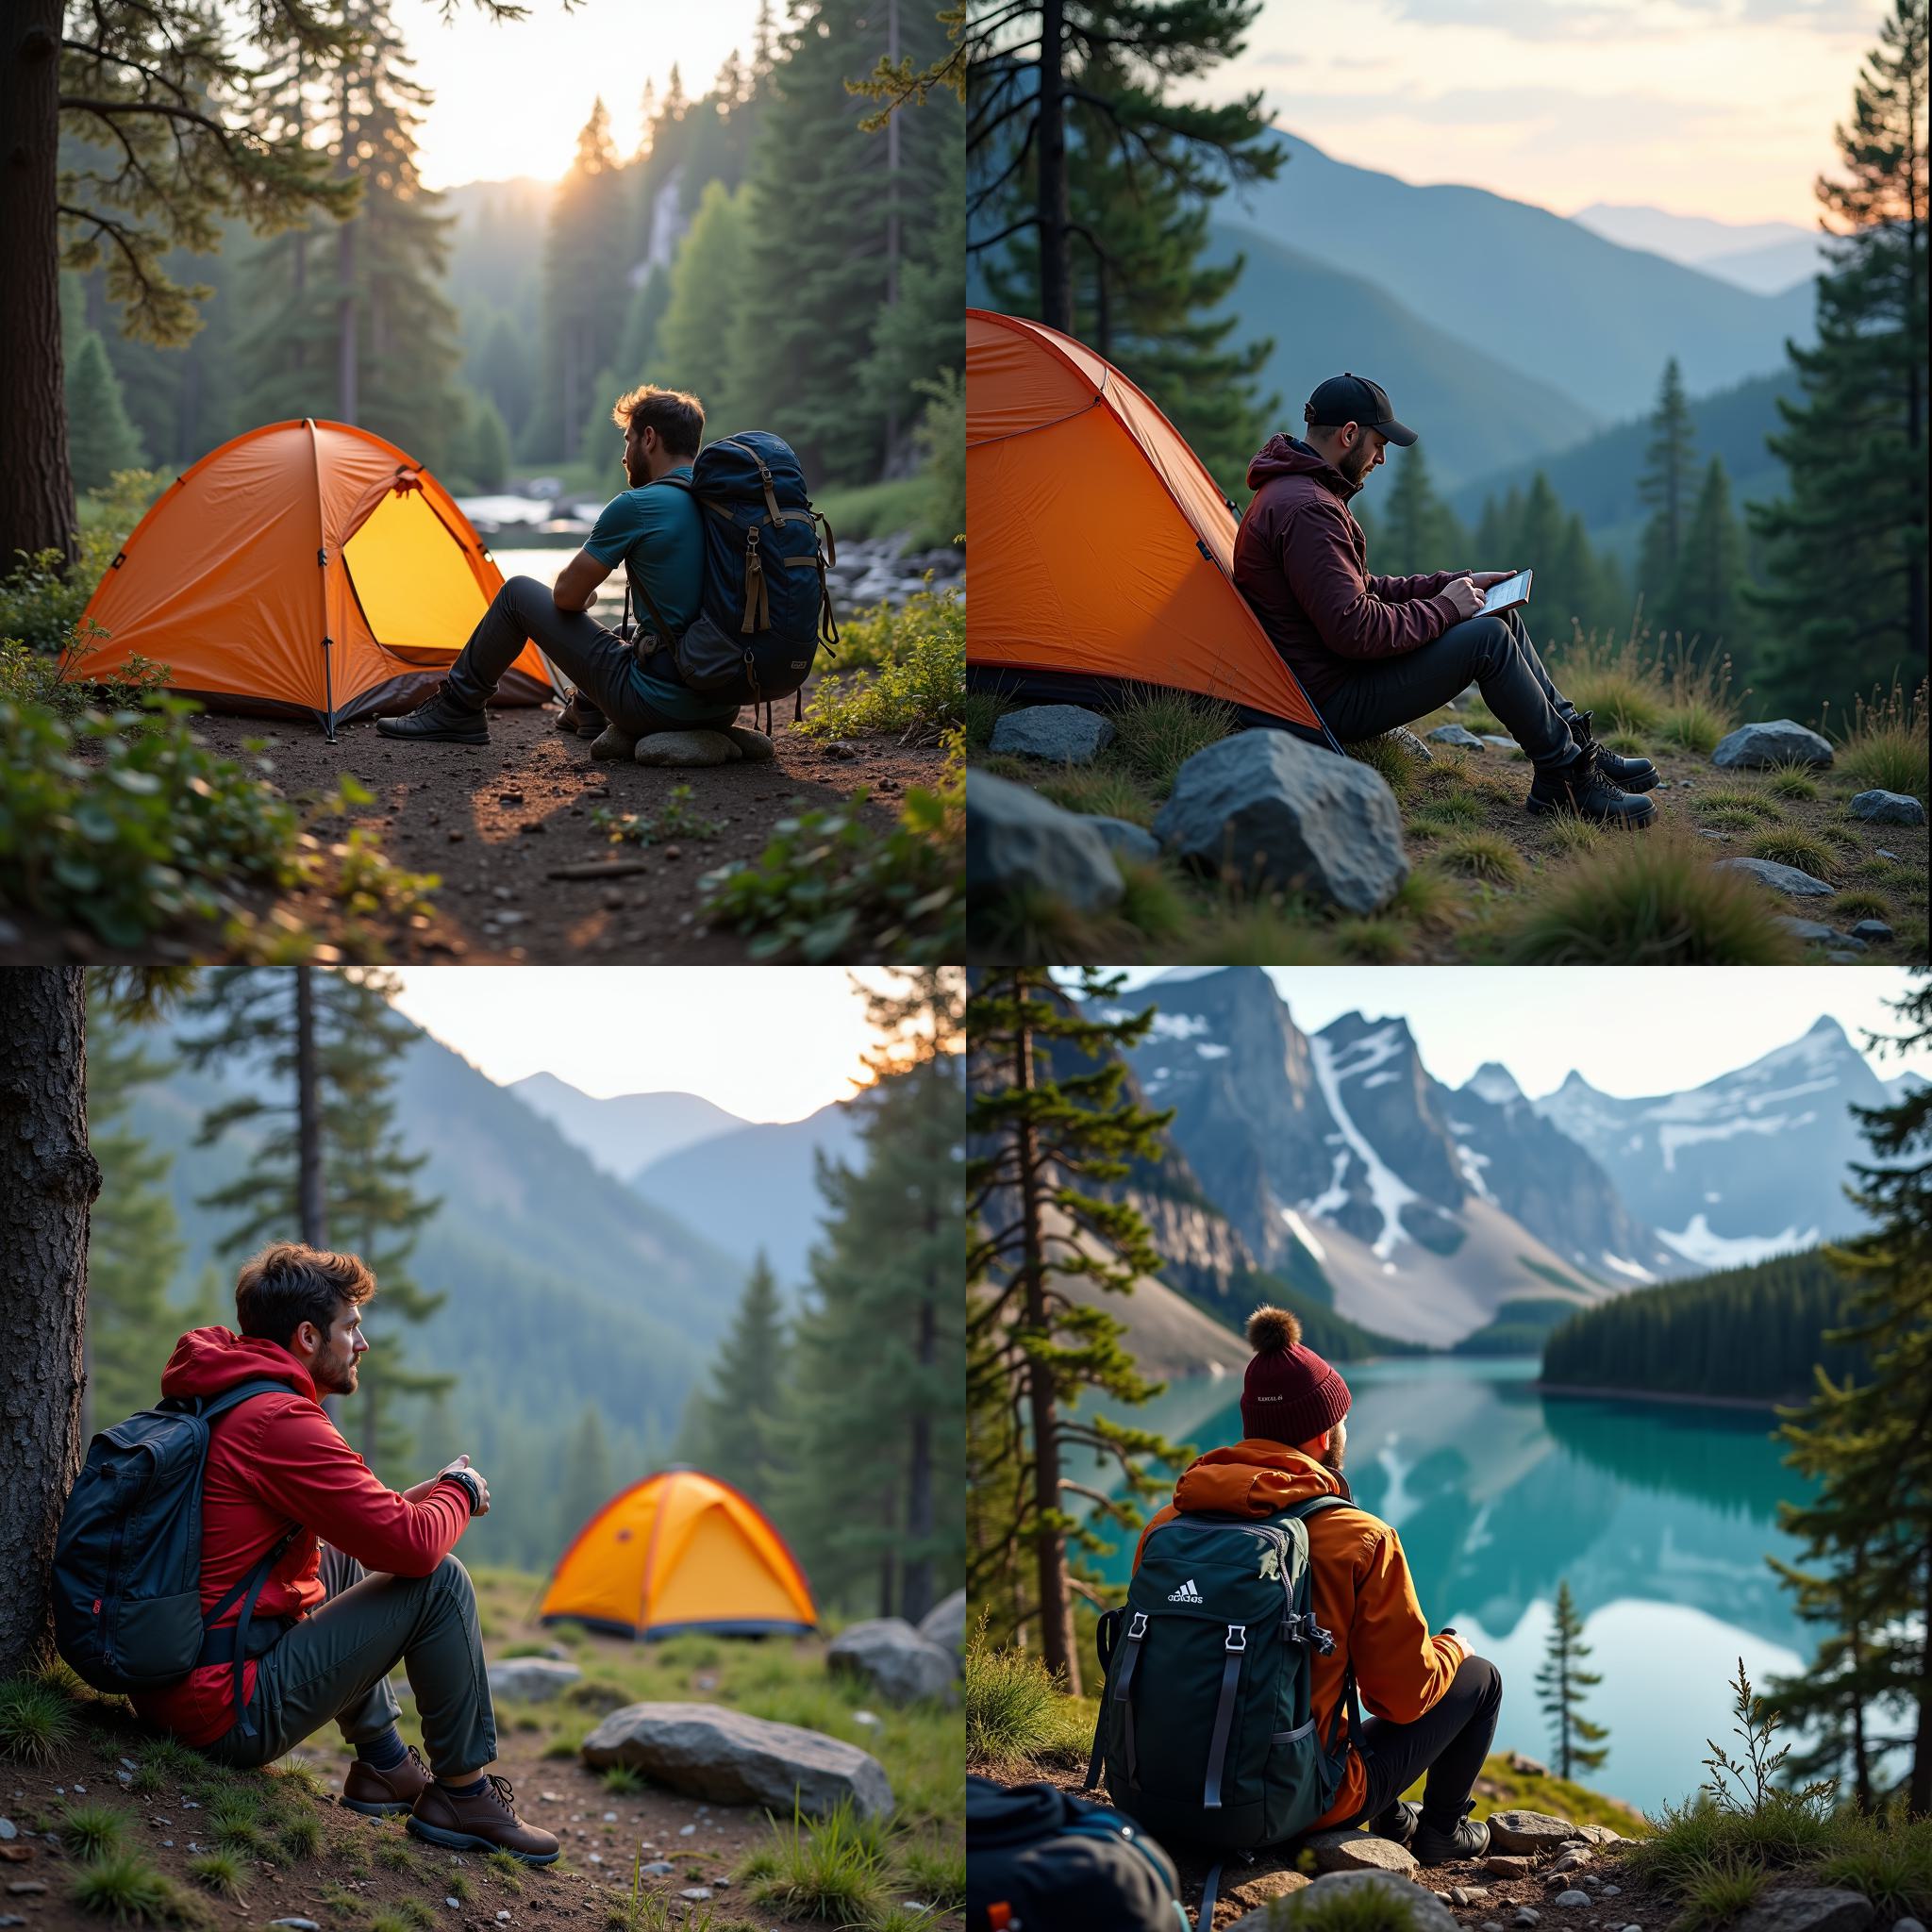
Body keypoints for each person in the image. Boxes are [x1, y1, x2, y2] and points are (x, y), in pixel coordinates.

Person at [128, 1242, 559, 1865]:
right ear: (308, 1336)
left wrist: (425, 1498)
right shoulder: (282, 1422)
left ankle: (383, 1767)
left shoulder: (232, 1394)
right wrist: (460, 1493)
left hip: (178, 1679)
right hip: (222, 1711)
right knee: (440, 1581)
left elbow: (371, 1523)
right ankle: (462, 1796)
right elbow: (413, 1549)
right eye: (351, 1327)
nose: (362, 1344)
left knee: (333, 1557)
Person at [1133, 1307, 1502, 1866]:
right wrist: (1453, 1651)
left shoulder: (1167, 1525)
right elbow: (1402, 1700)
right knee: (1478, 1679)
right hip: (1280, 1805)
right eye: (1342, 1419)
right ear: (1322, 1432)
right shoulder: (1360, 1538)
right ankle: (1441, 1833)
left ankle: (1395, 1817)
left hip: (1149, 1791)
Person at [1232, 374, 1657, 827]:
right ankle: (1564, 781)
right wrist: (1447, 609)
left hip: (1327, 678)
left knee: (1499, 616)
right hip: (1326, 700)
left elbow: (1364, 589)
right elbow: (1353, 629)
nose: (1380, 458)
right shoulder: (1308, 509)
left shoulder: (1301, 493)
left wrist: (1461, 584)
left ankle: (1573, 746)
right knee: (1486, 639)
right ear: (1349, 434)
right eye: (1379, 444)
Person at [378, 384, 735, 750]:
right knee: (626, 630)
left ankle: (457, 708)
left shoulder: (639, 505)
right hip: (721, 703)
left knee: (518, 594)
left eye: (627, 440)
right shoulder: (723, 505)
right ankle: (587, 709)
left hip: (656, 705)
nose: (624, 456)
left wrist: (586, 595)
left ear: (648, 438)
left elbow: (566, 597)